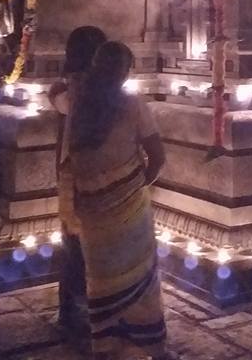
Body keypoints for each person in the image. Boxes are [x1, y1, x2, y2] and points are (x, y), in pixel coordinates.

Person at [66, 41, 170, 360]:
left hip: (91, 208)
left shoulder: (77, 102)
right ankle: (144, 344)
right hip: (128, 206)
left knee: (101, 279)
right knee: (140, 277)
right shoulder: (132, 104)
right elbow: (157, 156)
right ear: (124, 71)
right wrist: (135, 186)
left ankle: (108, 344)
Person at [48, 25, 108, 346]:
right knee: (79, 248)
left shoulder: (69, 90)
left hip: (80, 177)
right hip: (84, 178)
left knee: (76, 247)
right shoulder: (76, 92)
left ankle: (75, 311)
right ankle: (77, 313)